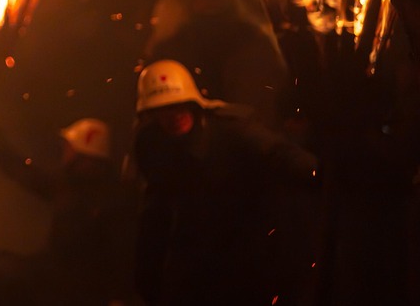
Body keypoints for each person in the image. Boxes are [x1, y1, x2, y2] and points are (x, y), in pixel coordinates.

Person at [132, 59, 319, 306]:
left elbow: (280, 154)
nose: (173, 116)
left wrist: (316, 172)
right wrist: (148, 282)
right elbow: (155, 214)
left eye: (179, 105)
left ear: (193, 103)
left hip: (250, 248)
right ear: (152, 115)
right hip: (200, 258)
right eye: (163, 109)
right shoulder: (153, 146)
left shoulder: (232, 130)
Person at [0, 117, 137, 306]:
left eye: (68, 146)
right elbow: (18, 170)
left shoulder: (115, 196)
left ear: (82, 152)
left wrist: (118, 297)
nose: (64, 151)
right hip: (53, 276)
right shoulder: (65, 185)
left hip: (84, 290)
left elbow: (123, 251)